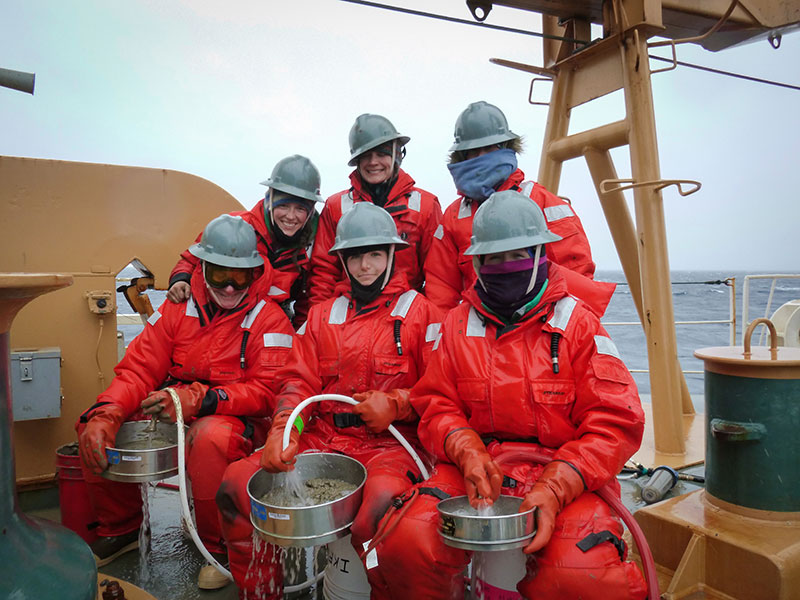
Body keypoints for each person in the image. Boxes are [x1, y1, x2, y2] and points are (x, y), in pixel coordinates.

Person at [375, 190, 647, 599]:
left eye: (518, 256)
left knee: (580, 571)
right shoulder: (455, 325)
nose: (506, 268)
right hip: (477, 467)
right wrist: (466, 450)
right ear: (476, 264)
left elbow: (615, 422)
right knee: (406, 538)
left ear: (542, 254)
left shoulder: (579, 325)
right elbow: (436, 404)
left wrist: (556, 486)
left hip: (565, 474)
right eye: (492, 259)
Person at [215, 203, 443, 598]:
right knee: (237, 483)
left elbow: (440, 392)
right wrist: (286, 432)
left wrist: (397, 403)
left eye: (375, 254)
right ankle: (261, 591)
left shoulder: (423, 315)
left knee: (383, 507)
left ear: (392, 255)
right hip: (320, 438)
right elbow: (297, 386)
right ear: (343, 260)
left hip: (392, 447)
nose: (366, 266)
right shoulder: (320, 316)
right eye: (356, 256)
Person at [77, 215, 294, 590]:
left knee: (210, 439)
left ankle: (217, 546)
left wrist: (204, 399)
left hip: (233, 414)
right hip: (175, 402)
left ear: (256, 273)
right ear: (203, 267)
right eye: (220, 274)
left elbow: (267, 392)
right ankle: (121, 527)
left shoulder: (270, 320)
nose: (229, 286)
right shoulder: (177, 310)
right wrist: (108, 413)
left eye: (240, 277)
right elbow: (139, 370)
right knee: (90, 424)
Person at [424, 101, 603, 313]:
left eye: (490, 148)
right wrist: (450, 337)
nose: (482, 157)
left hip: (539, 330)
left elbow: (575, 277)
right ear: (462, 157)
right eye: (473, 151)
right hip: (479, 333)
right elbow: (441, 288)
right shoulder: (453, 217)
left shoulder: (541, 202)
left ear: (507, 149)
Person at [167, 154, 323, 326]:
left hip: (271, 323)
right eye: (284, 205)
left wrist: (300, 333)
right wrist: (180, 279)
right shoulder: (235, 226)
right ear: (269, 200)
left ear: (310, 212)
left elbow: (307, 298)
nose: (291, 216)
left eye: (300, 209)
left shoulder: (311, 245)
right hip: (222, 319)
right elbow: (192, 259)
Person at [307, 113, 442, 307]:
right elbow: (324, 272)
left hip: (404, 317)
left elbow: (438, 276)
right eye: (366, 156)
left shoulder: (425, 206)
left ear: (397, 155)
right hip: (350, 315)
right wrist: (319, 323)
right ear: (357, 161)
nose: (373, 162)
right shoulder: (336, 207)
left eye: (381, 153)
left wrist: (430, 324)